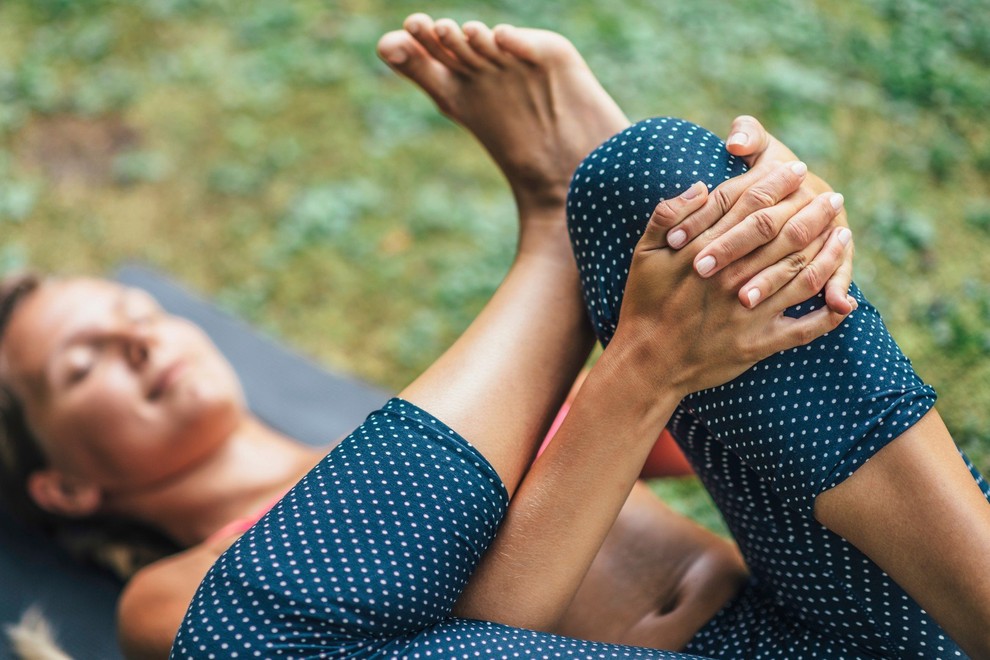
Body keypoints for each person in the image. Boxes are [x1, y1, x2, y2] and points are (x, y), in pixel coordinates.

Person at [0, 15, 984, 660]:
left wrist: (746, 234)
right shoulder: (172, 599)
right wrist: (628, 363)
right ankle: (561, 216)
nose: (137, 340)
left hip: (887, 619)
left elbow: (780, 429)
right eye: (82, 363)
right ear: (67, 487)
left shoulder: (441, 435)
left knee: (648, 172)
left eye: (134, 313)